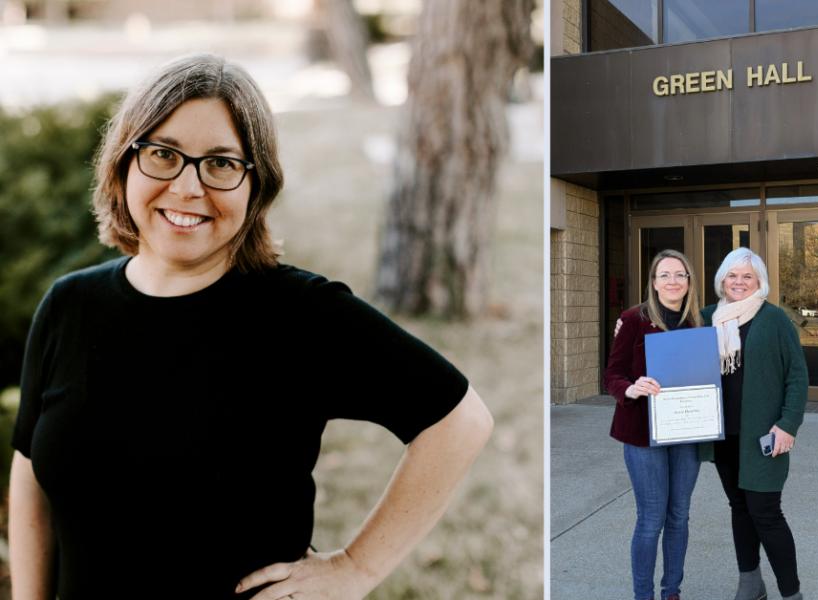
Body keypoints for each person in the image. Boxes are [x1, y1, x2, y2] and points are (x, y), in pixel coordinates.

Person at [8, 54, 493, 600]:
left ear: (255, 186)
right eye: (163, 154)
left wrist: (356, 568)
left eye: (221, 163)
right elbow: (30, 474)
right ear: (124, 164)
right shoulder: (68, 305)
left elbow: (459, 421)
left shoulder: (302, 315)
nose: (189, 187)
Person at [699, 247, 807, 600]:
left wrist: (788, 424)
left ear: (759, 282)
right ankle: (750, 584)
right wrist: (629, 320)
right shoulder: (707, 317)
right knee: (739, 507)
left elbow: (797, 376)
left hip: (764, 435)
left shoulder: (773, 319)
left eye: (748, 276)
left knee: (767, 513)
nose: (739, 282)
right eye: (733, 275)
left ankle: (791, 594)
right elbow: (663, 327)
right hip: (723, 435)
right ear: (722, 280)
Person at [604, 249, 703, 600]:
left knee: (679, 515)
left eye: (679, 275)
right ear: (654, 282)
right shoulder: (633, 319)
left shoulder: (700, 323)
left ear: (689, 281)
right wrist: (630, 388)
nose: (673, 281)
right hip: (643, 433)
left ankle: (671, 591)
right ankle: (643, 595)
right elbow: (611, 374)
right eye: (665, 275)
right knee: (651, 519)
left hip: (687, 431)